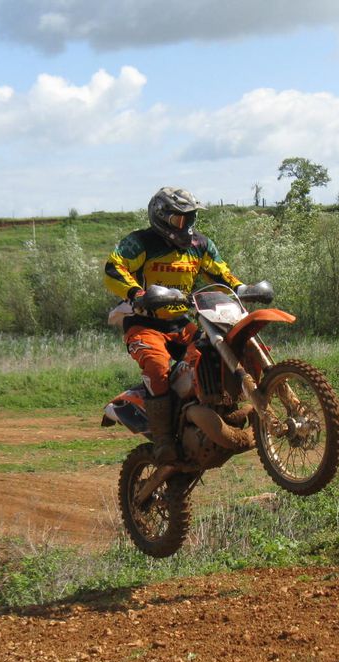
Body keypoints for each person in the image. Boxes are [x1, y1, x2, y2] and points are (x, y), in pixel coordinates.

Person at [105, 187, 243, 463]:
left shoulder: (200, 245)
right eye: (181, 219)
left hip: (182, 323)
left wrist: (241, 287)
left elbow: (220, 272)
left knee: (219, 353)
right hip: (145, 324)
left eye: (190, 218)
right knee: (157, 368)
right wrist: (136, 293)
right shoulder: (141, 242)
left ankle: (215, 412)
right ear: (162, 217)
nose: (187, 225)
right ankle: (164, 441)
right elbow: (113, 267)